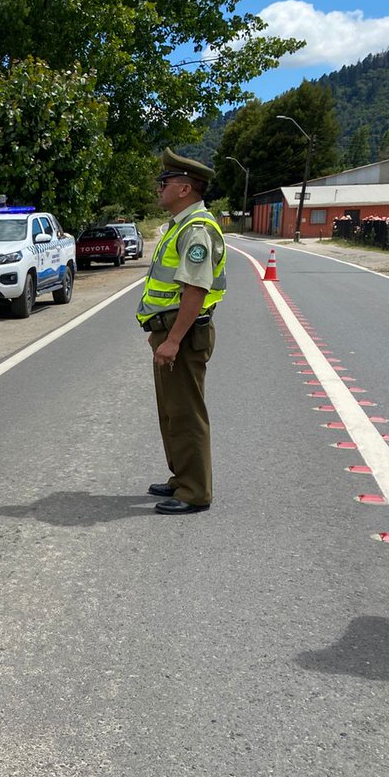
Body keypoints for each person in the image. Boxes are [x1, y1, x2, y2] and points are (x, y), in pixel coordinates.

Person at [136, 148, 227, 514]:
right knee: (172, 412)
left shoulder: (197, 230)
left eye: (165, 181)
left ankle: (195, 491)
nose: (159, 187)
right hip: (171, 330)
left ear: (185, 188)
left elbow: (195, 290)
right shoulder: (181, 226)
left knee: (186, 413)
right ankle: (181, 477)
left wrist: (173, 339)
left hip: (184, 335)